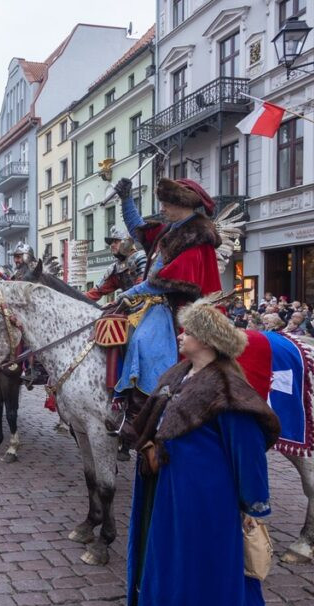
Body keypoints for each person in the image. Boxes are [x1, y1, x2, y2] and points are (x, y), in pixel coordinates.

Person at [127, 299, 279, 606]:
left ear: (208, 341)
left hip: (208, 496)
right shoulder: (179, 373)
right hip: (171, 487)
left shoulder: (227, 386)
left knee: (201, 563)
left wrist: (253, 503)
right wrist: (149, 441)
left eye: (189, 332)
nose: (181, 336)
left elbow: (247, 447)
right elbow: (157, 417)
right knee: (171, 557)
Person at [111, 176, 222, 440]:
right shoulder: (169, 230)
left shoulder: (196, 237)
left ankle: (143, 414)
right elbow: (138, 229)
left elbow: (165, 280)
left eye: (166, 203)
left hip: (182, 310)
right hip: (156, 305)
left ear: (181, 203)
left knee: (144, 342)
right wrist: (126, 199)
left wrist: (129, 293)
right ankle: (122, 400)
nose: (162, 208)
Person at [86, 226, 147, 301]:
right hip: (129, 303)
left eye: (116, 242)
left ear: (127, 242)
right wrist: (77, 298)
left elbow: (143, 286)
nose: (112, 245)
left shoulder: (140, 257)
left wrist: (118, 301)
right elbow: (97, 291)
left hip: (149, 302)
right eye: (111, 243)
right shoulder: (116, 268)